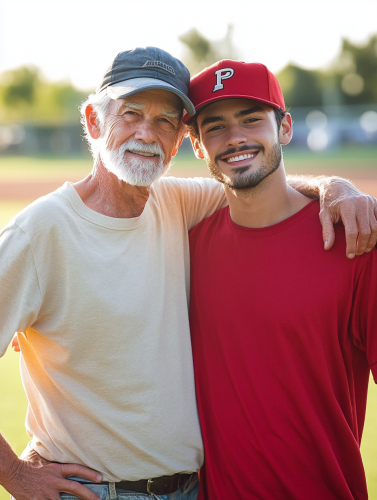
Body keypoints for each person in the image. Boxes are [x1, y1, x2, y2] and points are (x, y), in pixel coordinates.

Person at [0, 47, 376, 500]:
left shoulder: (179, 204)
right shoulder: (38, 232)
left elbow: (255, 179)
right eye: (131, 113)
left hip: (193, 490)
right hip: (94, 492)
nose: (146, 132)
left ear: (181, 140)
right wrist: (16, 476)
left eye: (165, 121)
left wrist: (335, 187)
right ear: (95, 122)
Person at [186, 60, 377, 500]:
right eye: (215, 127)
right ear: (197, 145)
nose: (235, 138)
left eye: (251, 120)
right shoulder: (186, 249)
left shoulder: (355, 241)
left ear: (285, 127)